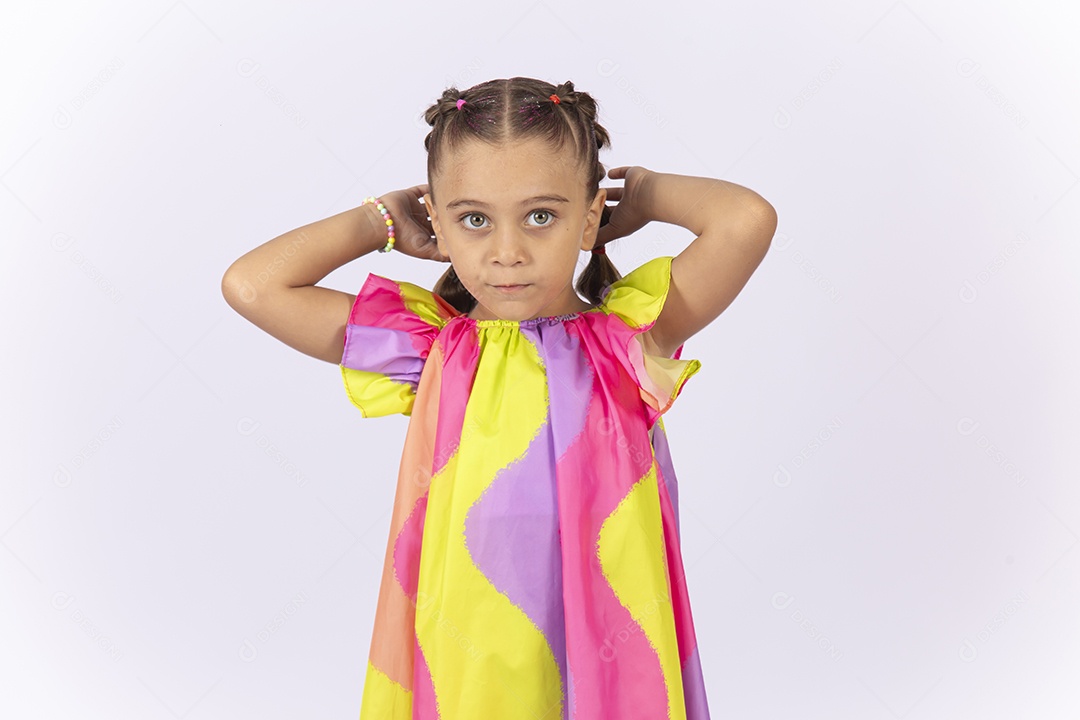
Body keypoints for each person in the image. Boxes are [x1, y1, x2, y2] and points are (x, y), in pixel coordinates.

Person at [222, 76, 776, 720]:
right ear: (437, 222)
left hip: (609, 645)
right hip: (471, 650)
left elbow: (746, 220)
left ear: (590, 217)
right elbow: (252, 286)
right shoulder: (428, 347)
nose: (506, 253)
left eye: (542, 216)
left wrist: (645, 192)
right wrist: (376, 220)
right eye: (474, 220)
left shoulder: (630, 337)